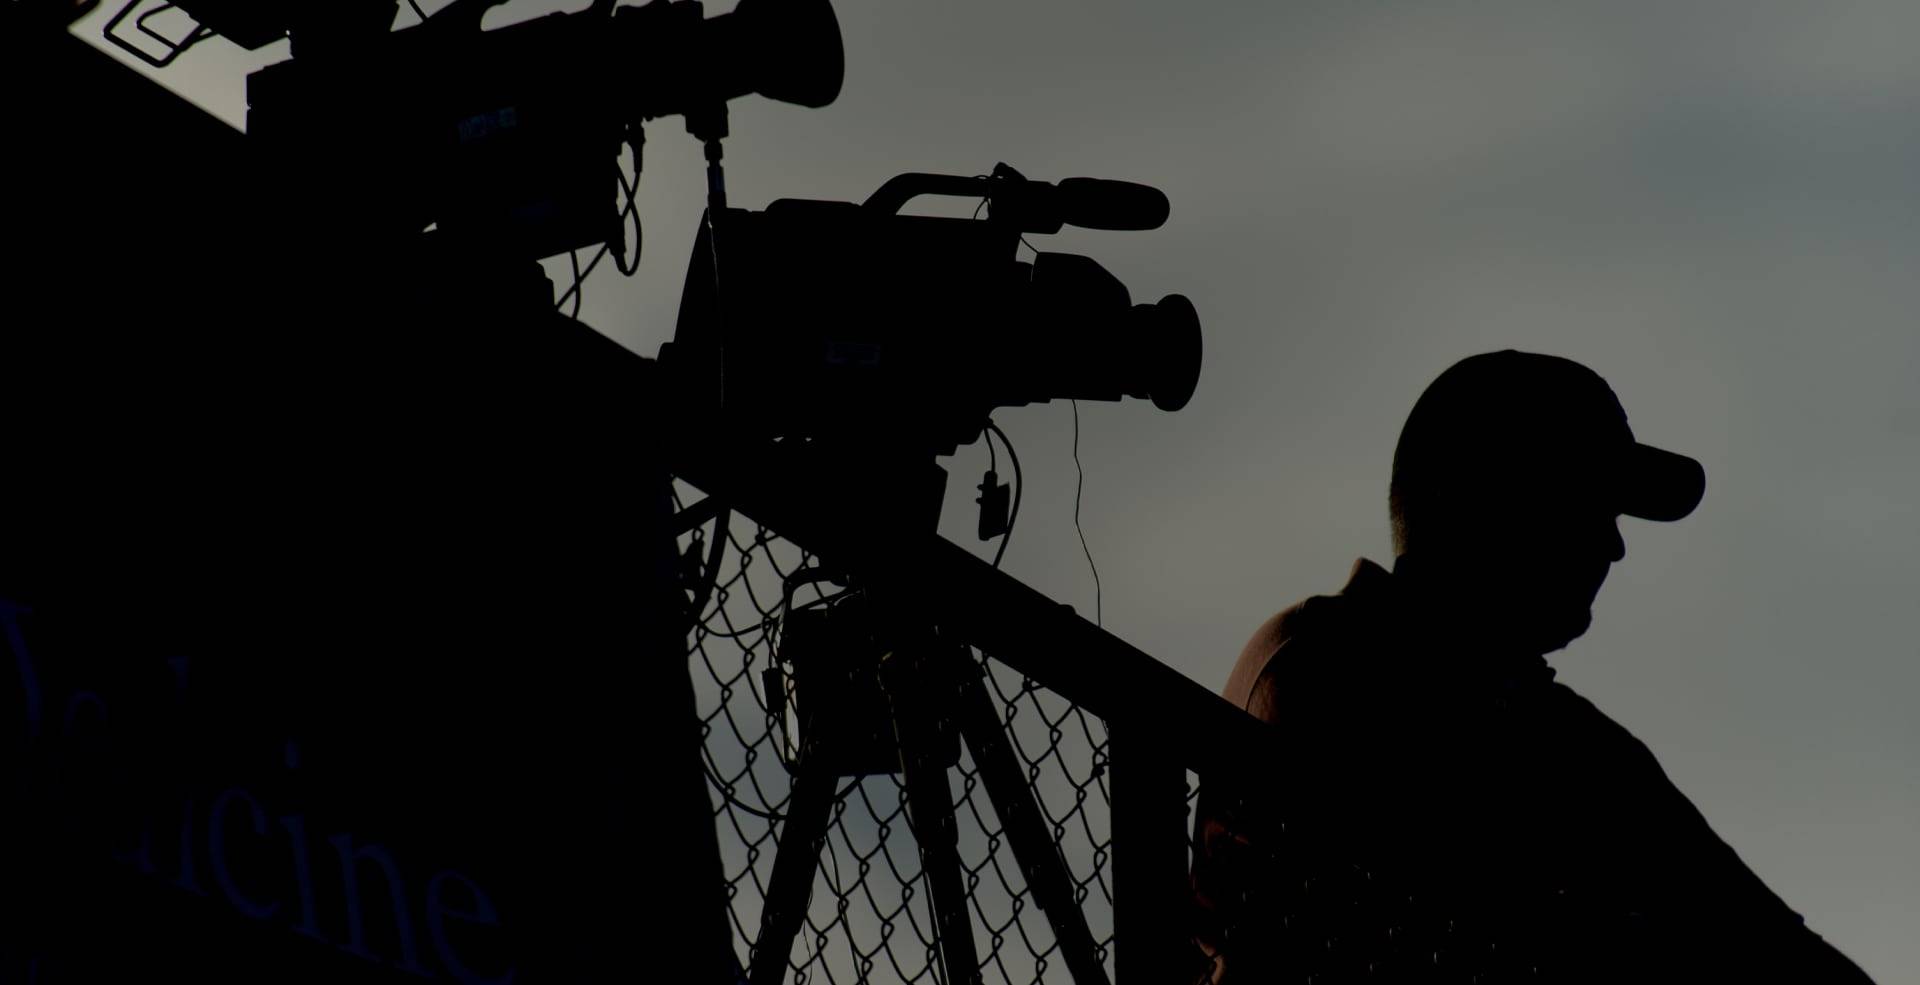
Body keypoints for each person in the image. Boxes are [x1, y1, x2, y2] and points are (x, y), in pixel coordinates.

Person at [1189, 350, 1873, 983]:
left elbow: (1769, 944)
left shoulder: (1576, 743)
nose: (1612, 544)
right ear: (1493, 499)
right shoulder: (1325, 662)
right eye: (1584, 504)